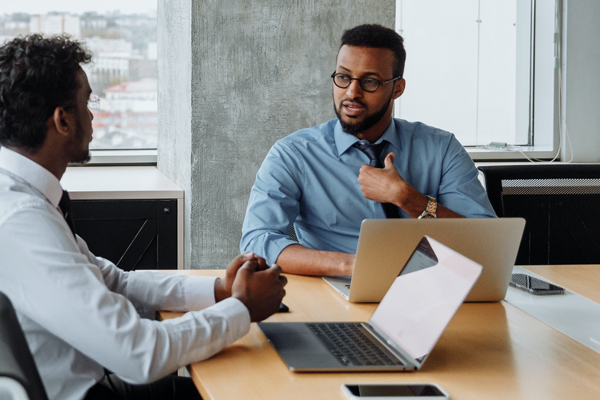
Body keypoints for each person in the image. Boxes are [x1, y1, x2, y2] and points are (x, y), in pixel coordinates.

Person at [0, 34, 287, 400]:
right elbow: (139, 355)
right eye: (87, 102)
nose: (92, 115)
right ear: (62, 121)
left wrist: (220, 291)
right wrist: (241, 309)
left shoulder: (23, 197)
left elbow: (114, 282)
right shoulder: (23, 220)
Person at [240, 24, 496, 277]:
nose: (352, 92)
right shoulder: (293, 154)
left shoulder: (442, 149)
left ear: (397, 88)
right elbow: (257, 240)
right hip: (335, 291)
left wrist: (409, 199)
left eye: (370, 81)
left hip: (430, 288)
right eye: (343, 77)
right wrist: (355, 265)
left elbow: (487, 243)